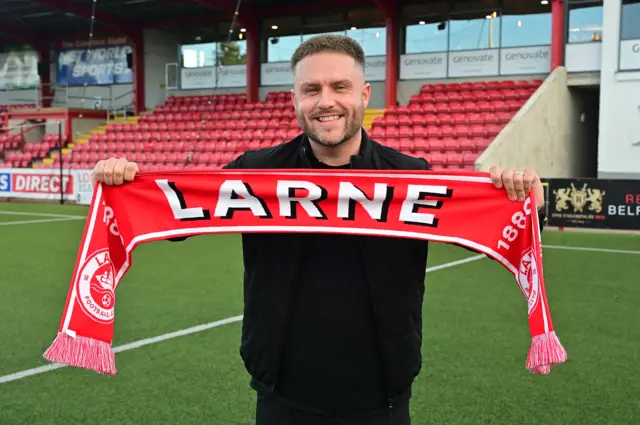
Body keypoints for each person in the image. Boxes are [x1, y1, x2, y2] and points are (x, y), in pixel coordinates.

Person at [92, 34, 546, 425]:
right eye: (311, 89)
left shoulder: (413, 179)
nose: (325, 100)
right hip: (281, 397)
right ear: (294, 99)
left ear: (365, 94)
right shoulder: (256, 173)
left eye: (339, 87)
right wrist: (126, 182)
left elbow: (495, 236)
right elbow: (174, 217)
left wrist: (521, 200)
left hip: (381, 399)